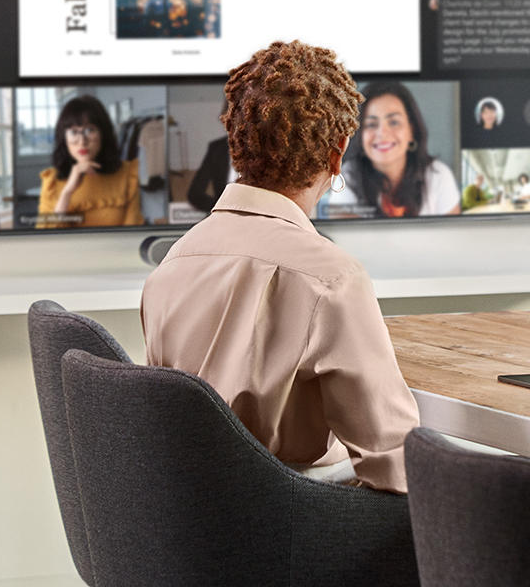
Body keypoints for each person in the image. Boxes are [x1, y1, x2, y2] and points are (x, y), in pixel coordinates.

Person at [142, 40, 419, 489]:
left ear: (236, 143)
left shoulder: (170, 266)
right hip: (295, 527)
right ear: (338, 152)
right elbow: (395, 464)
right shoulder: (331, 278)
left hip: (193, 527)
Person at [337, 82, 460, 217]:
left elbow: (453, 236)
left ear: (411, 130)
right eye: (371, 124)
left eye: (394, 122)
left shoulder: (439, 175)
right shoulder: (346, 177)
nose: (382, 133)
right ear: (360, 135)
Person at [35, 96, 142, 228]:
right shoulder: (51, 181)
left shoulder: (127, 173)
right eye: (74, 132)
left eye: (89, 130)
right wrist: (67, 192)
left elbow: (133, 232)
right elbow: (46, 241)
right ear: (64, 137)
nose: (82, 141)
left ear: (103, 133)